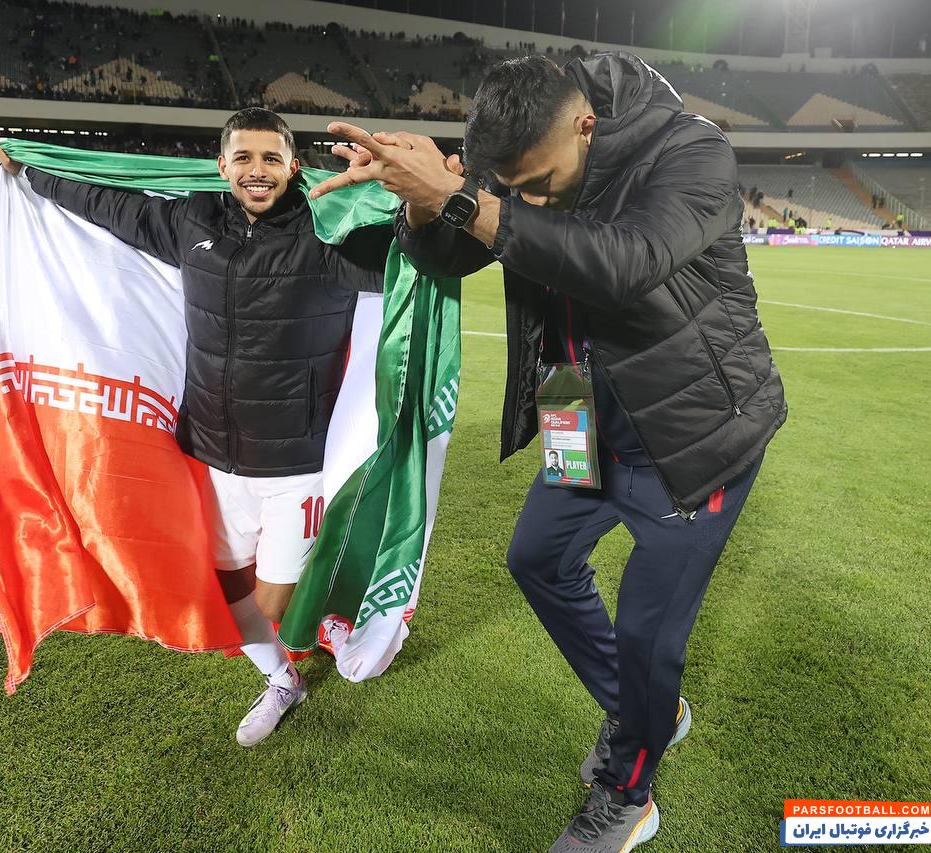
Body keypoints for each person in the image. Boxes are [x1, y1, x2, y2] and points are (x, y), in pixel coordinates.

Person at [312, 52, 786, 851]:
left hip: (692, 430)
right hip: (574, 405)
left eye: (537, 183)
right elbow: (454, 251)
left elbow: (624, 264)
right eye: (512, 186)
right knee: (538, 558)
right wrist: (424, 205)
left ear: (586, 125)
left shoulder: (691, 150)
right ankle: (647, 713)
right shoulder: (525, 151)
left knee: (647, 636)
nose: (525, 198)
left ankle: (628, 793)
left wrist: (466, 199)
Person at [0, 107, 392, 747]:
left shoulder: (330, 233)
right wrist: (34, 171)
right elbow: (107, 204)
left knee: (269, 604)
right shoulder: (193, 221)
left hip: (297, 464)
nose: (256, 171)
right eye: (243, 158)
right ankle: (283, 680)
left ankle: (327, 623)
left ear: (293, 166)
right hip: (211, 454)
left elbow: (415, 255)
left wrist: (405, 195)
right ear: (222, 164)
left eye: (271, 158)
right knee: (227, 595)